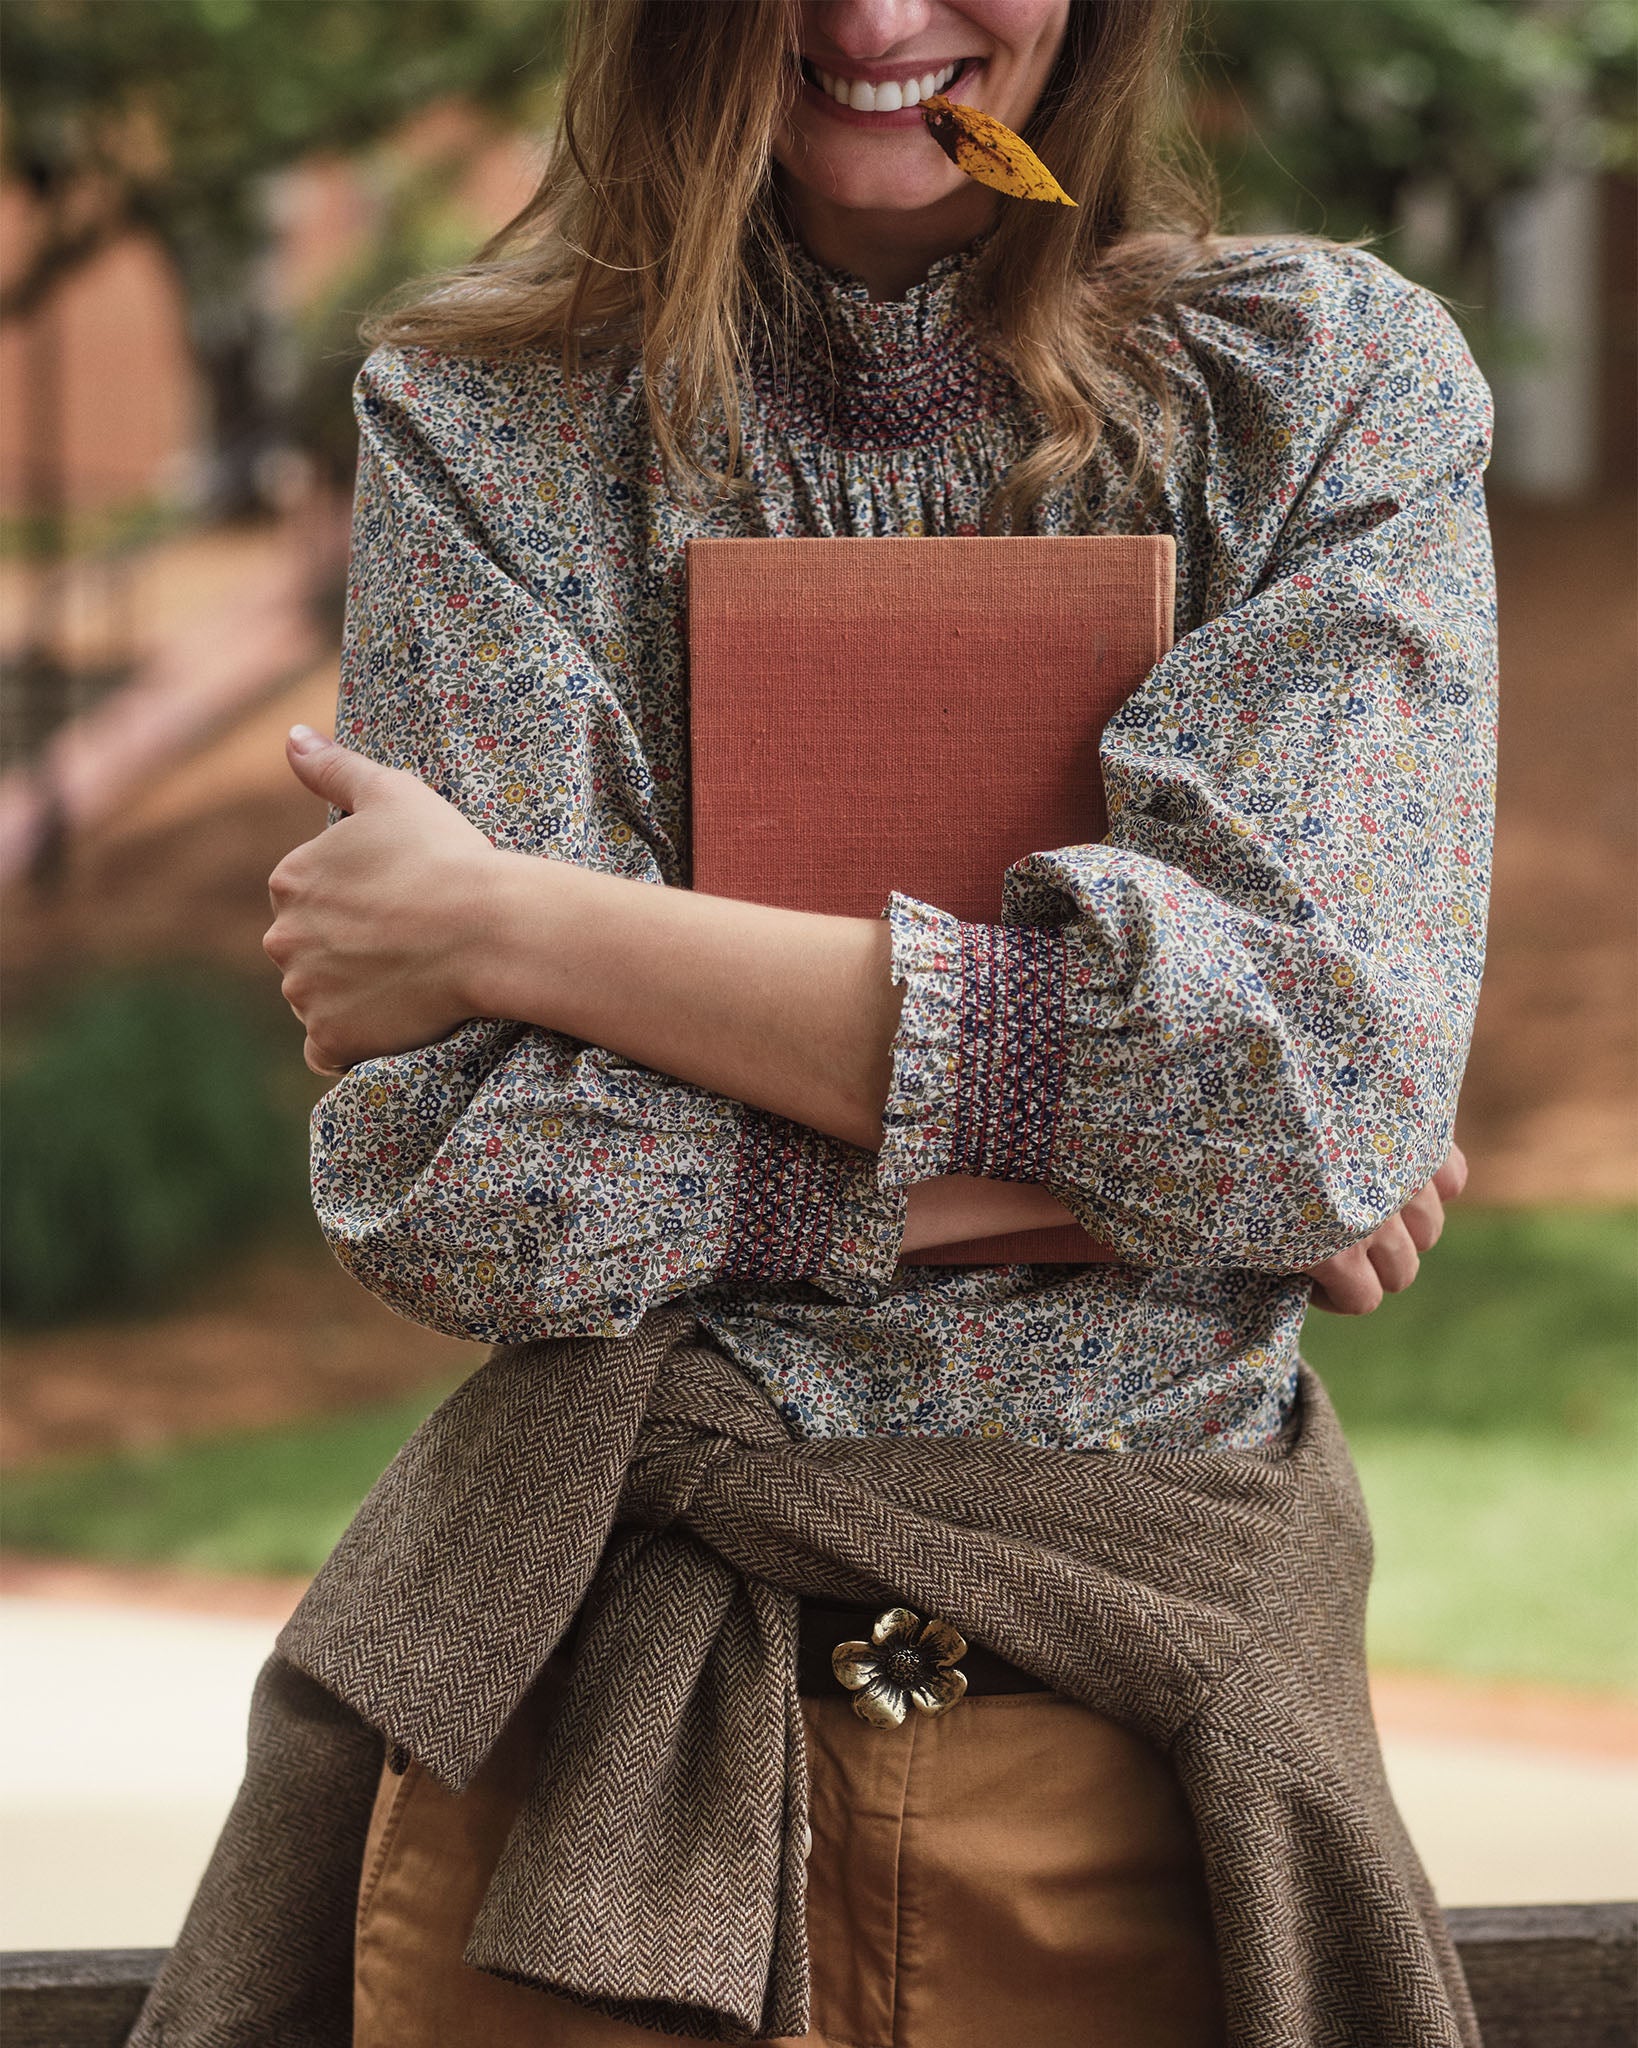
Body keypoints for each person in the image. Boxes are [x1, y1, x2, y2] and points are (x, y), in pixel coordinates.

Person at [136, 3, 1496, 2045]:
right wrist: (1134, 1168)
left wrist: (514, 923)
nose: (875, 20)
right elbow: (465, 1193)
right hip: (579, 1761)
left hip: (1149, 1755)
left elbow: (1304, 1097)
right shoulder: (489, 419)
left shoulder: (1316, 391)